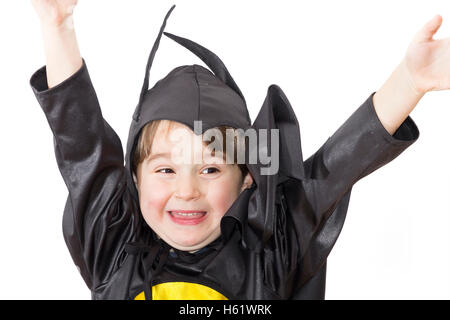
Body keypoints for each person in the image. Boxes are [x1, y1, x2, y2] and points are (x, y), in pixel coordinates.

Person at [29, 1, 449, 300]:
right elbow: (81, 143)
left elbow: (337, 165)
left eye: (210, 170)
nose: (187, 190)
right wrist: (57, 25)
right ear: (134, 178)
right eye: (166, 171)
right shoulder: (113, 243)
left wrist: (410, 82)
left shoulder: (270, 250)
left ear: (248, 176)